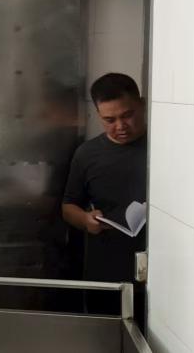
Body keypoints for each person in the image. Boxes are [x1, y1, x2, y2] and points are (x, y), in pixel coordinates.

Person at [61, 73, 147, 325]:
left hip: (157, 277)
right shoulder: (87, 154)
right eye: (109, 120)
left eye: (127, 115)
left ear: (142, 105)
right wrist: (86, 220)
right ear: (98, 114)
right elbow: (68, 207)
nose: (120, 126)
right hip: (106, 276)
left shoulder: (163, 147)